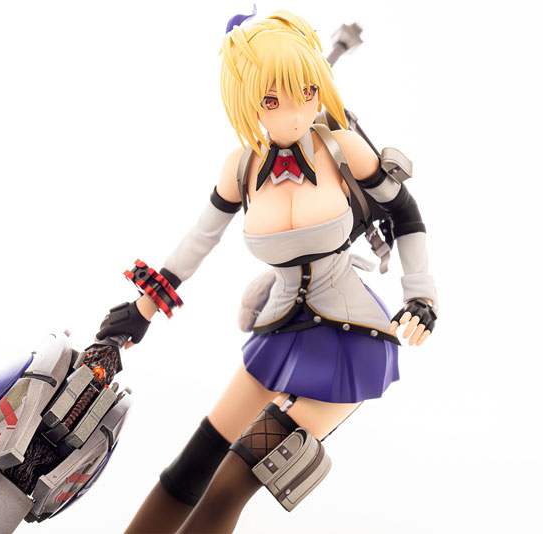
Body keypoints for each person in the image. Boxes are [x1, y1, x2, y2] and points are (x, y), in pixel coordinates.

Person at [96, 10, 438, 533]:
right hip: (278, 334)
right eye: (273, 101)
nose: (296, 114)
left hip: (350, 343)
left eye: (307, 92)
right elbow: (200, 238)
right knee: (189, 468)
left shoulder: (342, 149)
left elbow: (405, 213)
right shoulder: (241, 168)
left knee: (232, 481)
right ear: (247, 101)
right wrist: (141, 310)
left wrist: (421, 295)